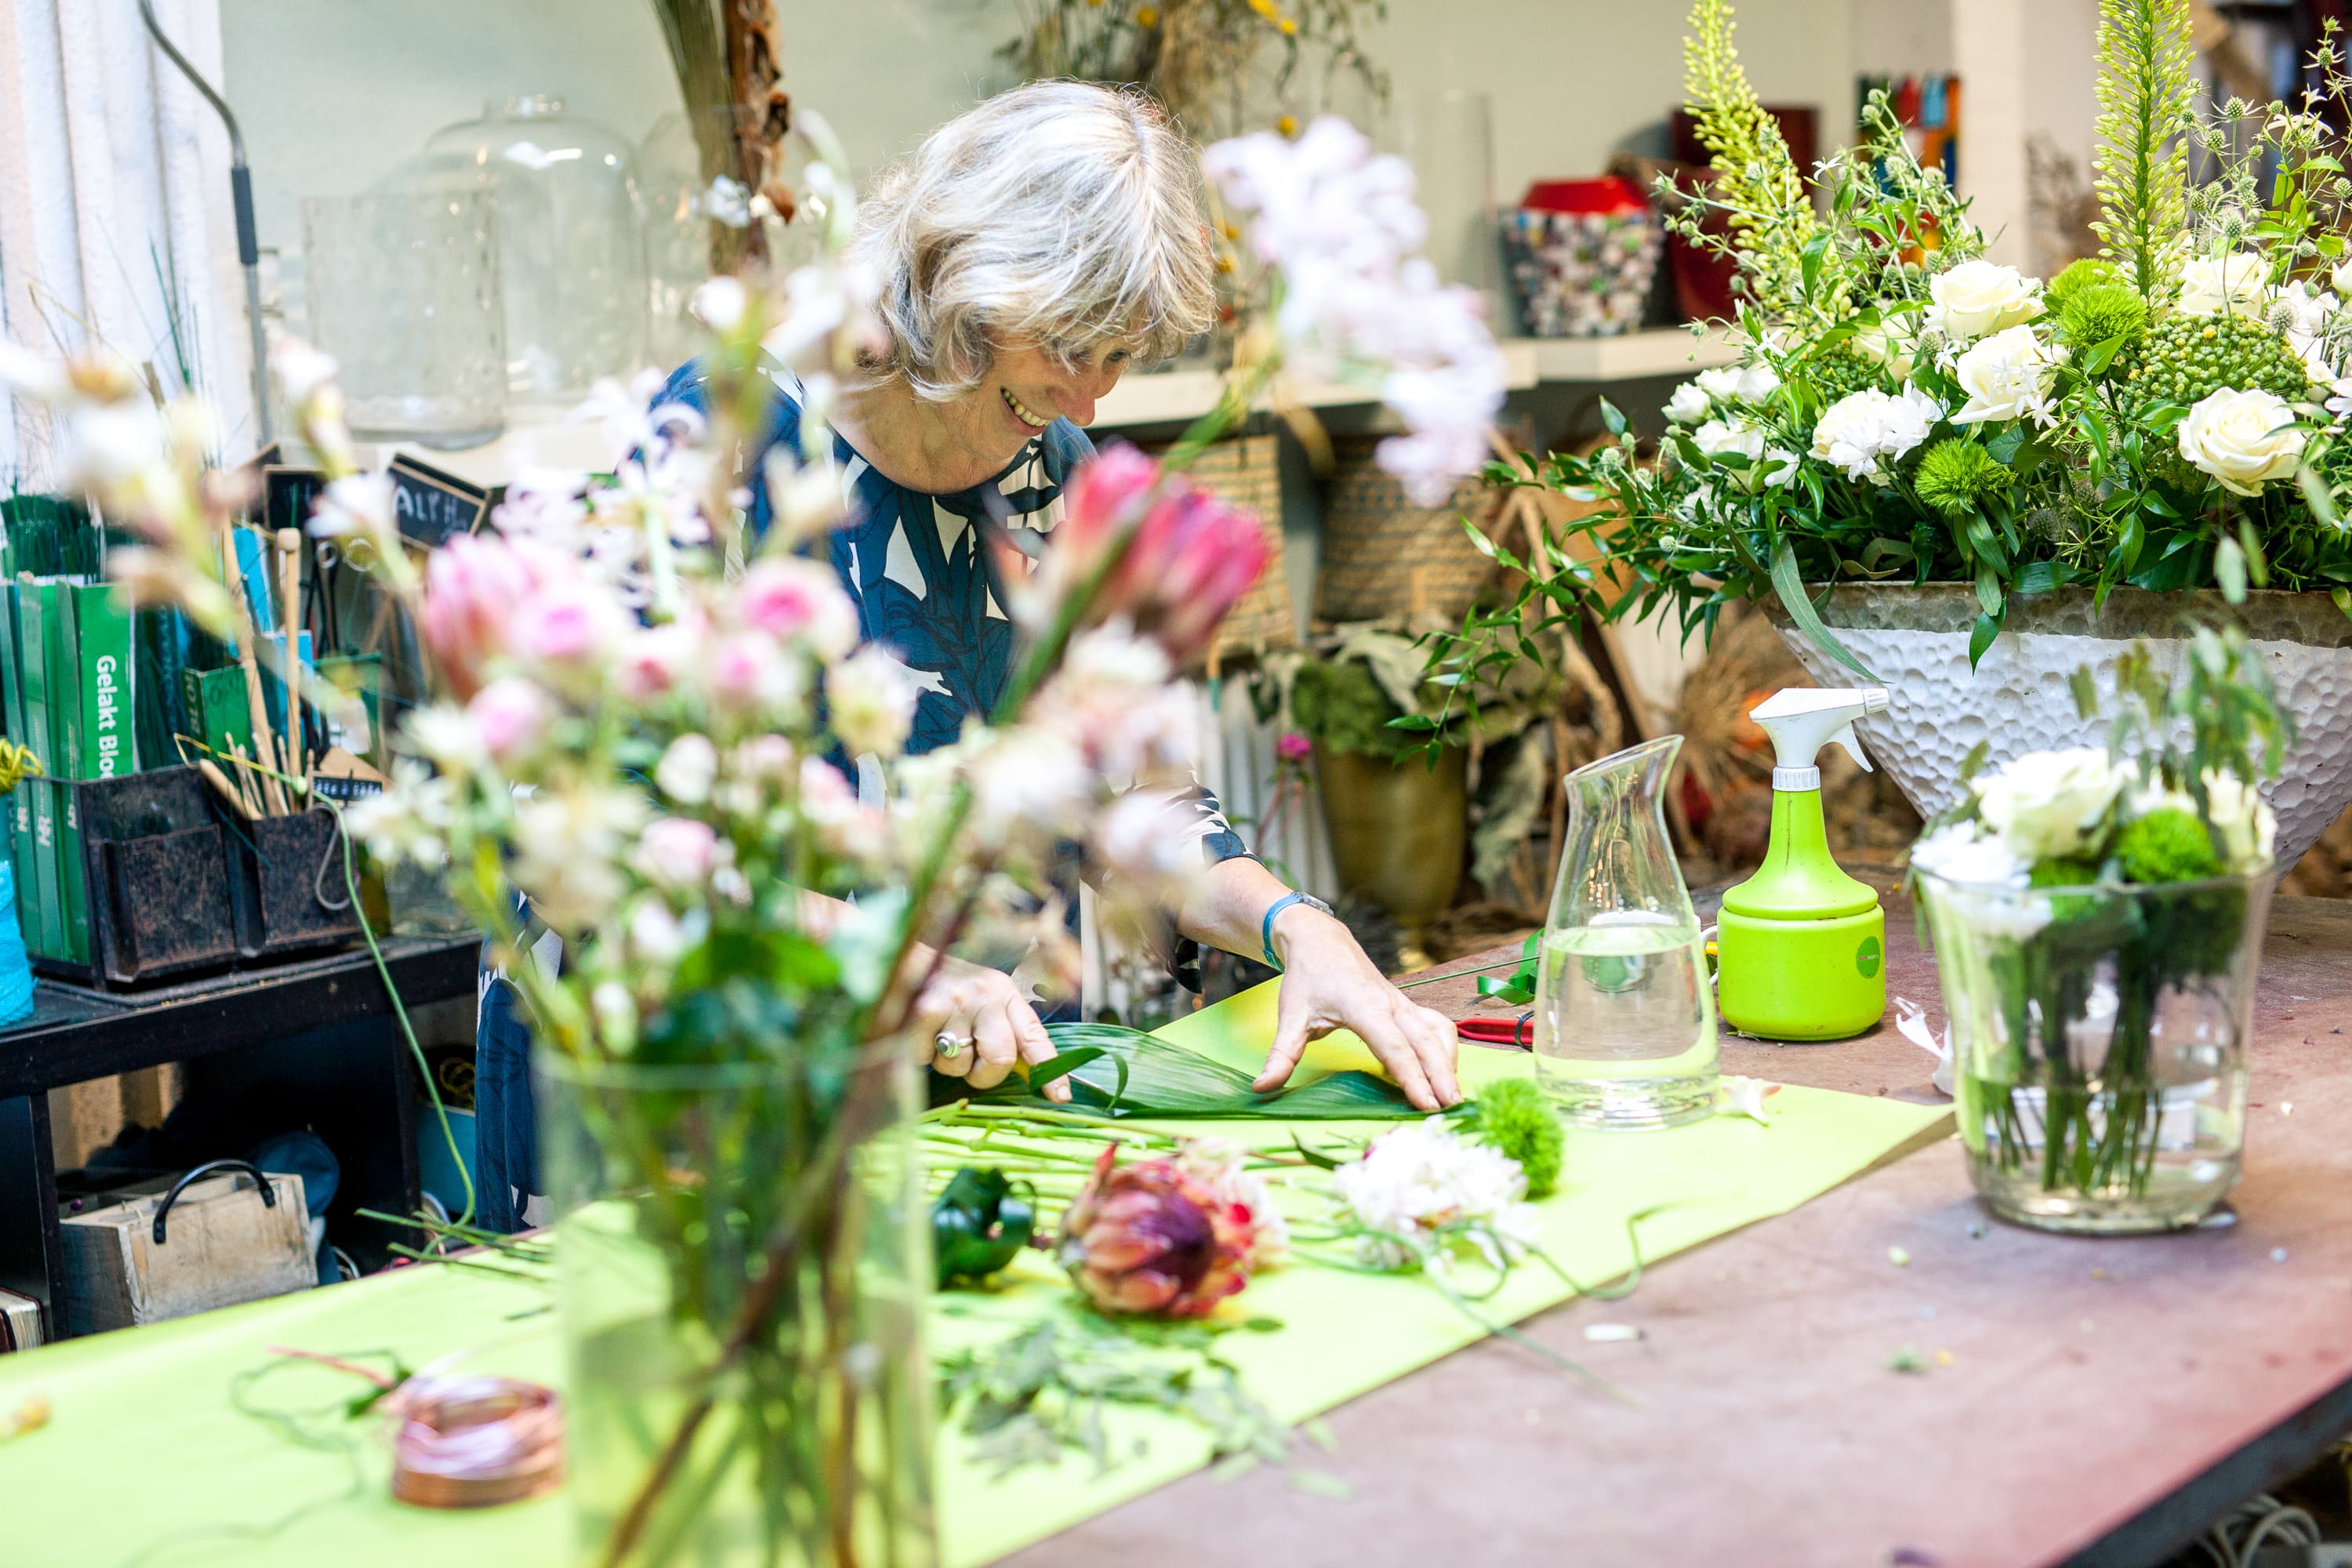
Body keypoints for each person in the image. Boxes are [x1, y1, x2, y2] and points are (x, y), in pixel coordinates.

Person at [472, 82, 1460, 1229]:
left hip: (951, 1092)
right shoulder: (723, 441)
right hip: (691, 1104)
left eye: (1121, 354)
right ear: (963, 279)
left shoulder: (1057, 475)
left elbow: (1135, 804)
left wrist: (1301, 929)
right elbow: (591, 838)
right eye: (1073, 343)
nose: (1091, 394)